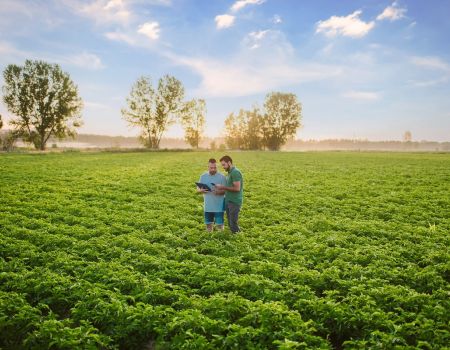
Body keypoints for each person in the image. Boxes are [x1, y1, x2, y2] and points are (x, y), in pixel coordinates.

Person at [215, 155, 243, 233]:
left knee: (233, 224)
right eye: (222, 165)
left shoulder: (235, 172)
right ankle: (236, 236)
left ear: (229, 163)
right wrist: (219, 192)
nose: (223, 167)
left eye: (224, 164)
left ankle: (238, 239)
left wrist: (222, 187)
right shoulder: (230, 173)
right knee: (231, 223)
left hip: (234, 202)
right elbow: (229, 188)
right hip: (228, 201)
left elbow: (237, 188)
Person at [197, 158, 226, 232]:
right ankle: (210, 239)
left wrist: (218, 192)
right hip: (208, 207)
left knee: (220, 227)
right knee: (208, 227)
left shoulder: (222, 177)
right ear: (208, 167)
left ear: (217, 167)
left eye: (215, 168)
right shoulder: (203, 176)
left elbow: (226, 190)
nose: (213, 169)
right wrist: (201, 191)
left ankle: (221, 242)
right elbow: (198, 189)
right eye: (211, 168)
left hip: (219, 207)